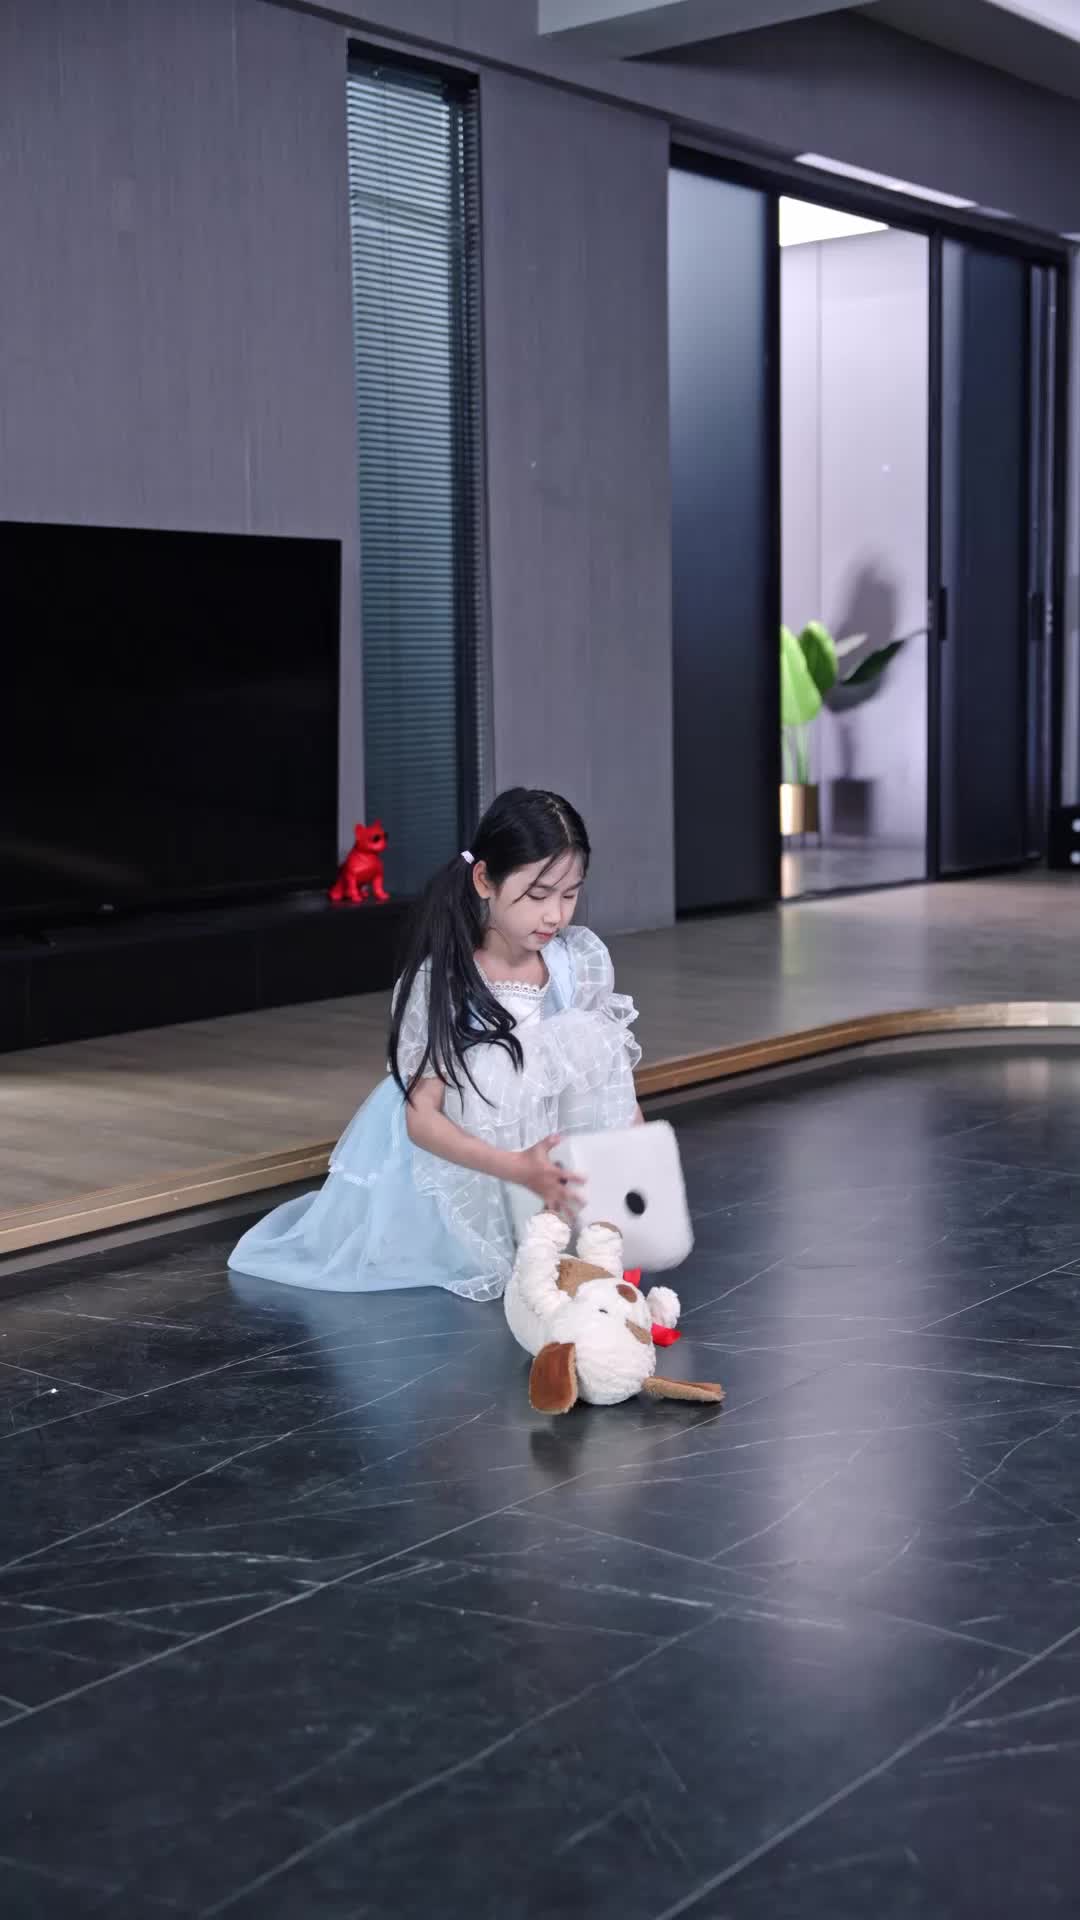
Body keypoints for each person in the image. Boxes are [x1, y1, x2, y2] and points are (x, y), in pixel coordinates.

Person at [227, 788, 642, 1302]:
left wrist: (635, 1166)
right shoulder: (447, 979)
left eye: (569, 895)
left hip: (544, 1160)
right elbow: (422, 1119)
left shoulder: (576, 961)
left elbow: (609, 1079)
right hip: (468, 1159)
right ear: (485, 880)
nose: (555, 915)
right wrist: (516, 1168)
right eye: (538, 896)